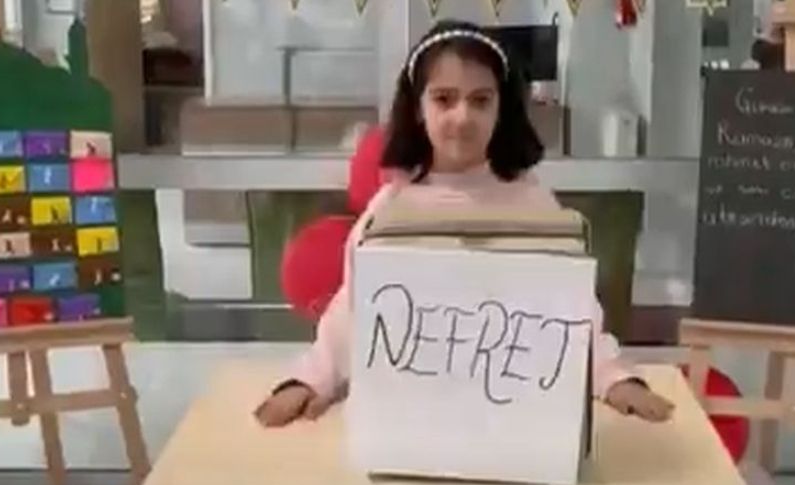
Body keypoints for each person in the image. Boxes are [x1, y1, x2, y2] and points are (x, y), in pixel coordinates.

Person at [255, 19, 675, 428]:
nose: (462, 116)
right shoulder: (389, 210)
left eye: (480, 100)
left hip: (512, 419)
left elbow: (570, 311)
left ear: (501, 108)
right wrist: (310, 380)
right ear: (418, 108)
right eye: (444, 99)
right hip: (410, 419)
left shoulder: (533, 204)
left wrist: (613, 377)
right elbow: (352, 311)